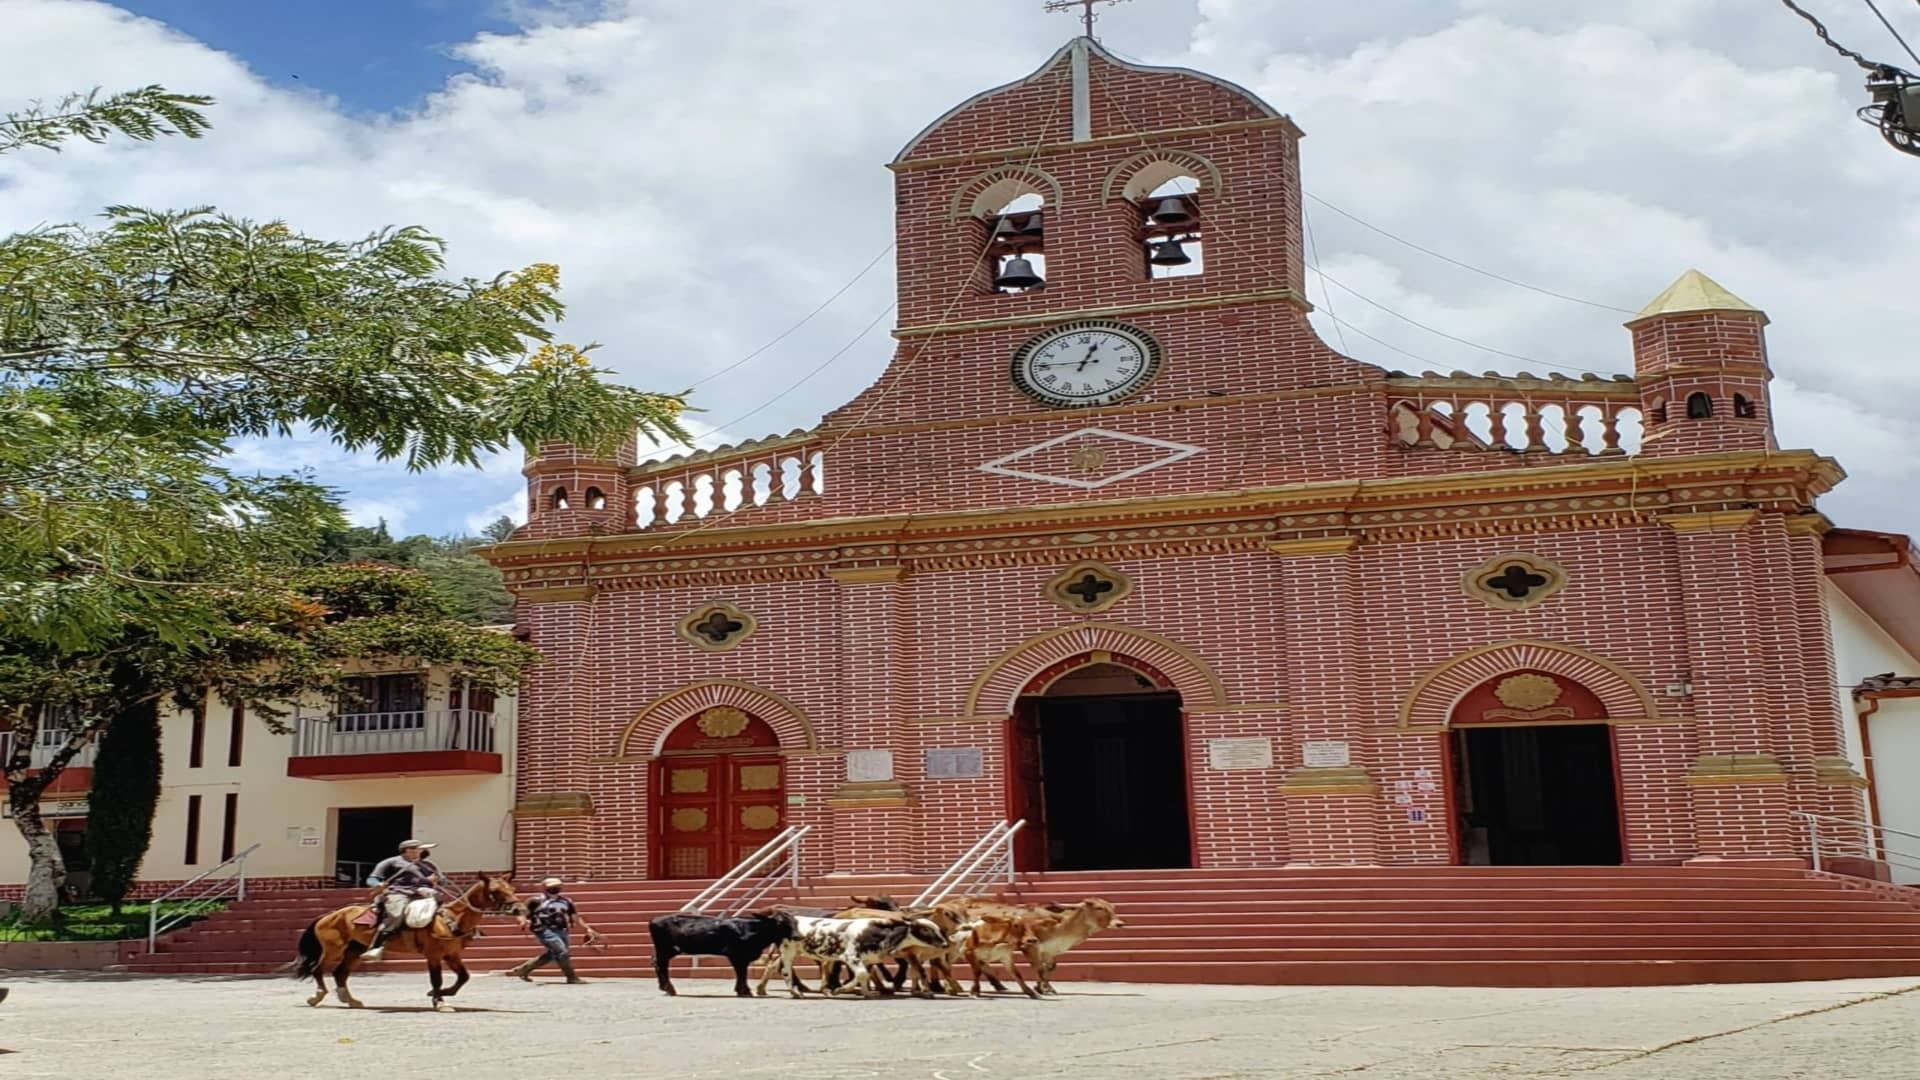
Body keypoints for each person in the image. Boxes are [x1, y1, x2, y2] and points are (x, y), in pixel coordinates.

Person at [360, 839, 444, 961]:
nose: (421, 851)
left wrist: (437, 880)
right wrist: (378, 885)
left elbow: (442, 880)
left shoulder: (428, 865)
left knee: (444, 911)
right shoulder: (391, 862)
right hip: (399, 893)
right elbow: (372, 879)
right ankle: (376, 947)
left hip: (424, 892)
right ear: (407, 850)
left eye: (421, 849)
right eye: (418, 849)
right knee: (396, 915)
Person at [506, 876, 599, 983]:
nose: (555, 888)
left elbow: (575, 917)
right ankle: (571, 977)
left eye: (557, 886)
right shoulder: (535, 900)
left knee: (552, 954)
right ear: (544, 887)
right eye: (552, 886)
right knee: (562, 952)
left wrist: (587, 928)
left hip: (562, 930)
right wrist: (523, 921)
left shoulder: (566, 901)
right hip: (543, 929)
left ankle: (523, 969)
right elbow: (522, 912)